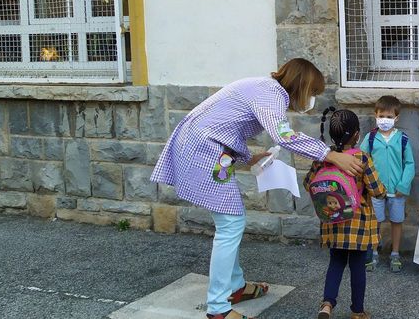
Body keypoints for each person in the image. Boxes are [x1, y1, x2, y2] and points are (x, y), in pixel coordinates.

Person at [150, 58, 363, 319]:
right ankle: (218, 309)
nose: (311, 99)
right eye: (313, 92)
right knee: (230, 224)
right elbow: (284, 136)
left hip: (205, 145)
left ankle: (236, 287)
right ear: (302, 85)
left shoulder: (265, 89)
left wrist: (247, 158)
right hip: (203, 149)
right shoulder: (270, 93)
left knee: (230, 222)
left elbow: (225, 125)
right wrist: (330, 155)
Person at [308, 108, 385, 319]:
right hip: (357, 223)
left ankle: (327, 304)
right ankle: (357, 311)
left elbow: (309, 184)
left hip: (333, 221)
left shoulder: (324, 158)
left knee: (336, 263)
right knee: (358, 267)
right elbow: (377, 190)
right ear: (357, 134)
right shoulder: (361, 158)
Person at [360, 95, 415, 272]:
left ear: (396, 118)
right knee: (374, 221)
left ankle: (395, 254)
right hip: (375, 190)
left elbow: (409, 163)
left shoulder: (403, 138)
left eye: (389, 117)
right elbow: (361, 159)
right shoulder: (370, 138)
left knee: (396, 221)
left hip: (396, 191)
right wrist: (367, 184)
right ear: (375, 115)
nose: (385, 120)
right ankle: (373, 252)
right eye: (382, 115)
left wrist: (403, 185)